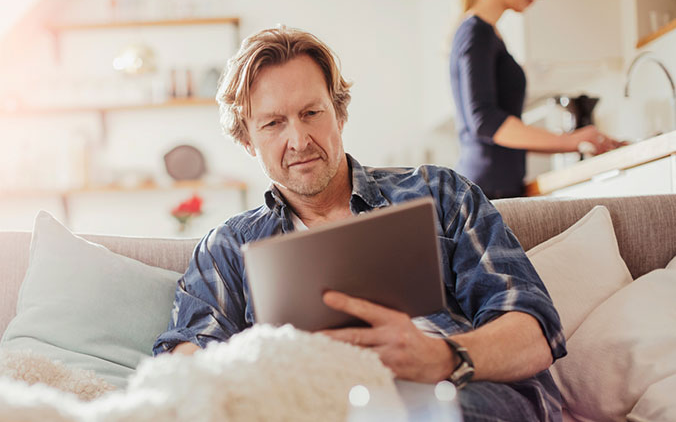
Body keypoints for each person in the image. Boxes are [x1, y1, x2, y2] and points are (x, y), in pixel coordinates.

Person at [153, 26, 566, 421]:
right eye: (273, 123)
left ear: (339, 114)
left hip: (457, 394)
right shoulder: (228, 246)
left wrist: (440, 357)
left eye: (312, 112)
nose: (299, 140)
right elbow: (185, 367)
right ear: (247, 140)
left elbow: (533, 332)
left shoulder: (438, 192)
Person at [451, 0, 623, 199]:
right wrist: (571, 140)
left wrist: (576, 141)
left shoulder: (485, 33)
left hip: (495, 186)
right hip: (488, 190)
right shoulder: (476, 31)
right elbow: (485, 121)